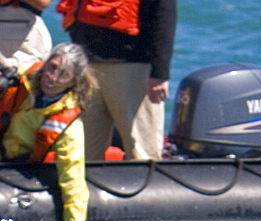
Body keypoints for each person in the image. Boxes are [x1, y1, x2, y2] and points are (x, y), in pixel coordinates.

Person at [0, 42, 93, 221]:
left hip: (20, 164)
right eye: (52, 67)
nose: (52, 78)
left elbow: (73, 175)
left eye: (62, 74)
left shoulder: (68, 123)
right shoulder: (26, 78)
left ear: (72, 82)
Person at [56, 0, 176, 161]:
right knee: (83, 151)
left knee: (141, 151)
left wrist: (159, 74)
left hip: (131, 66)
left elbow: (164, 17)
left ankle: (147, 183)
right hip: (86, 64)